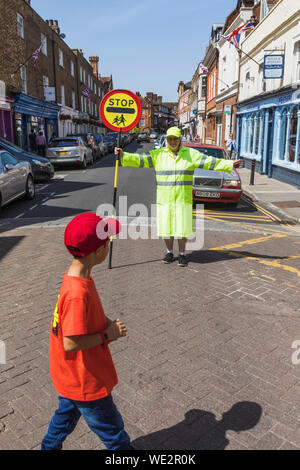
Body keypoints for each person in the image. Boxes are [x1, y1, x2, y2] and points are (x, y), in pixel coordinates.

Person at [41, 213, 134, 450]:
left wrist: (106, 323)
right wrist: (108, 335)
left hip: (71, 375)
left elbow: (86, 316)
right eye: (107, 242)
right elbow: (70, 343)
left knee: (63, 421)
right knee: (114, 433)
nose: (109, 245)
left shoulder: (80, 277)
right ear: (97, 251)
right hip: (85, 379)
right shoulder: (77, 293)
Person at [115, 126, 241, 267]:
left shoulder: (190, 154)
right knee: (166, 230)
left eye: (175, 138)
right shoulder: (158, 154)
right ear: (167, 140)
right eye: (170, 139)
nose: (173, 141)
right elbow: (141, 159)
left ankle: (182, 255)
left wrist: (229, 164)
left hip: (183, 200)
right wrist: (123, 155)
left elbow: (210, 162)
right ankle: (169, 252)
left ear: (180, 139)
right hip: (165, 200)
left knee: (182, 229)